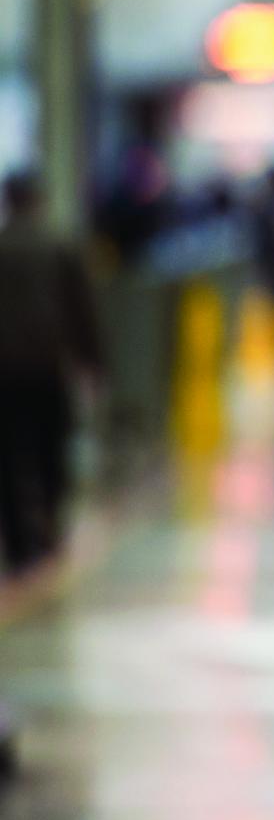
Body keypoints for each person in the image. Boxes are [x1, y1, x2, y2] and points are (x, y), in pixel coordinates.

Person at [0, 170, 102, 573]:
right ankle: (49, 525)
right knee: (51, 448)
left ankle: (17, 540)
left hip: (4, 370)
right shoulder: (60, 246)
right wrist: (93, 361)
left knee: (8, 455)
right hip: (47, 366)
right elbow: (82, 311)